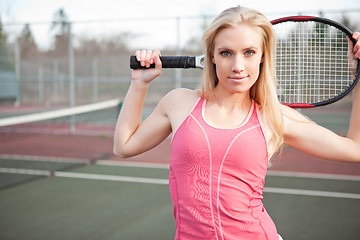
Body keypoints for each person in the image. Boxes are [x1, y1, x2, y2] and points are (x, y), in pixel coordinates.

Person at [113, 6, 360, 240]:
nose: (238, 66)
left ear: (263, 57)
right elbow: (124, 146)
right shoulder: (179, 103)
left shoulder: (274, 116)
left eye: (249, 52)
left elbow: (355, 148)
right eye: (226, 53)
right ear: (212, 56)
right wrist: (139, 84)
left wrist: (358, 75)